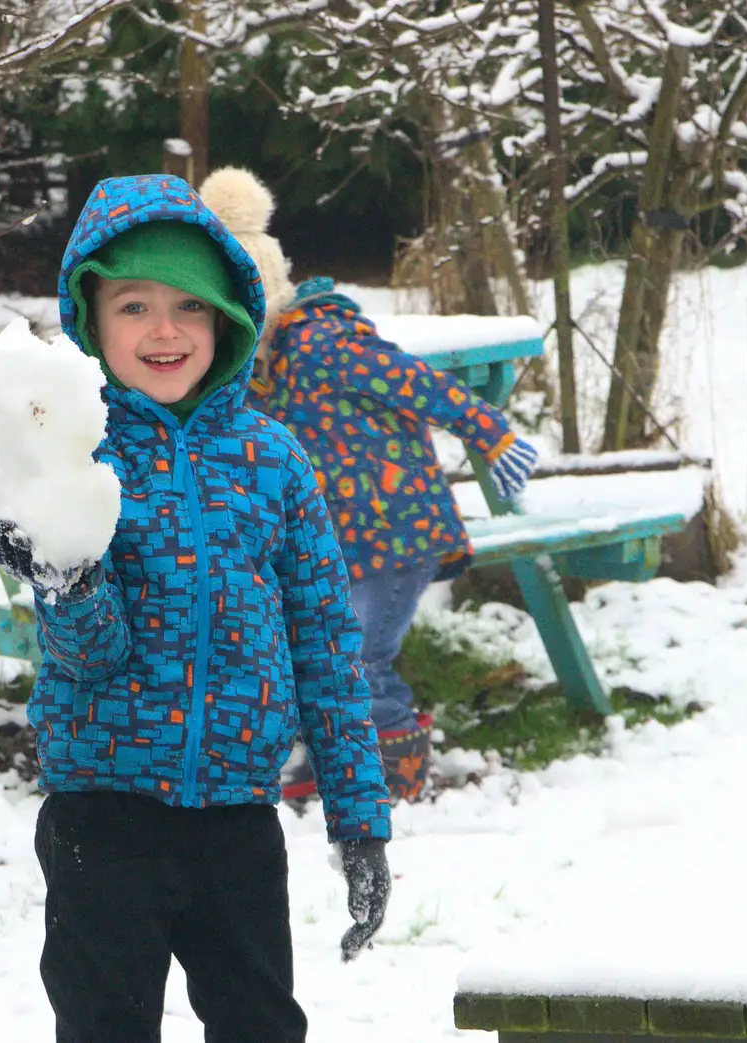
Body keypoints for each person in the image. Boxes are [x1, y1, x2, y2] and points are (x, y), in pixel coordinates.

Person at [0, 173, 393, 1043]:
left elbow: (325, 644)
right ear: (91, 318)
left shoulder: (274, 459)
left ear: (228, 318)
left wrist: (359, 820)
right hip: (104, 814)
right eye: (135, 306)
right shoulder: (78, 460)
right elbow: (90, 657)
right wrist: (69, 584)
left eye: (190, 307)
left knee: (261, 1026)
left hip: (239, 816)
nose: (165, 330)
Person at [198, 166, 538, 806]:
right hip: (337, 547)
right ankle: (333, 760)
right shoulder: (256, 380)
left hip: (397, 534)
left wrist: (489, 433)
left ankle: (396, 776)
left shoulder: (325, 343)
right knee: (313, 656)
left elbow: (416, 383)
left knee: (356, 658)